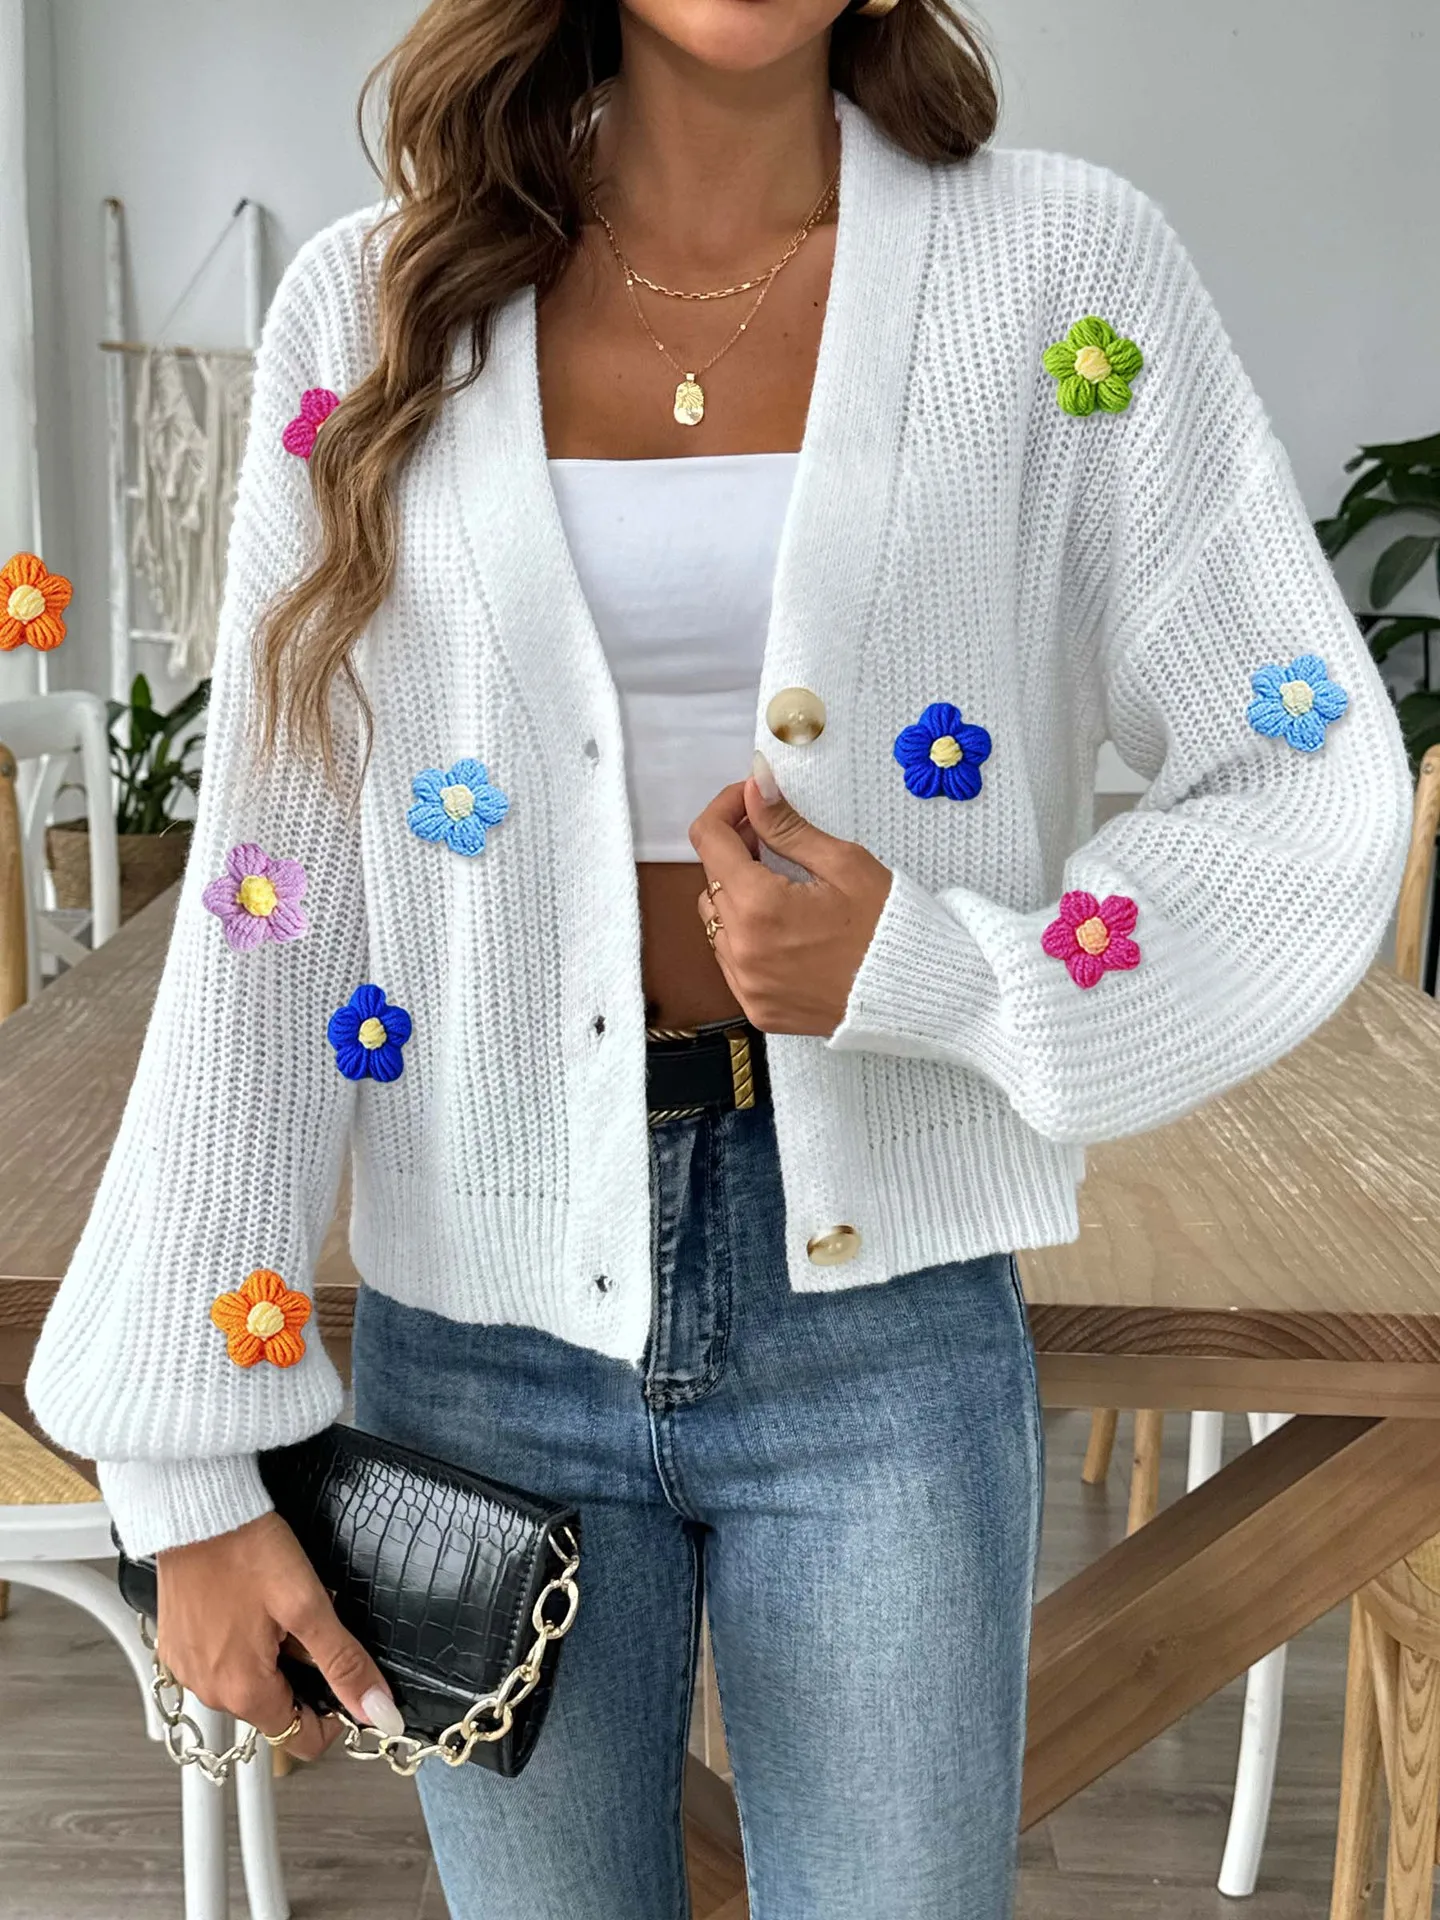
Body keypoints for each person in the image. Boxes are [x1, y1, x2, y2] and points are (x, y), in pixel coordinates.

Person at [27, 2, 1411, 1915]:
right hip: (481, 1334)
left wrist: (949, 972)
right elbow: (278, 882)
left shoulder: (1060, 274)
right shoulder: (375, 304)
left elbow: (1302, 763)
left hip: (885, 1325)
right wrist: (188, 1465)